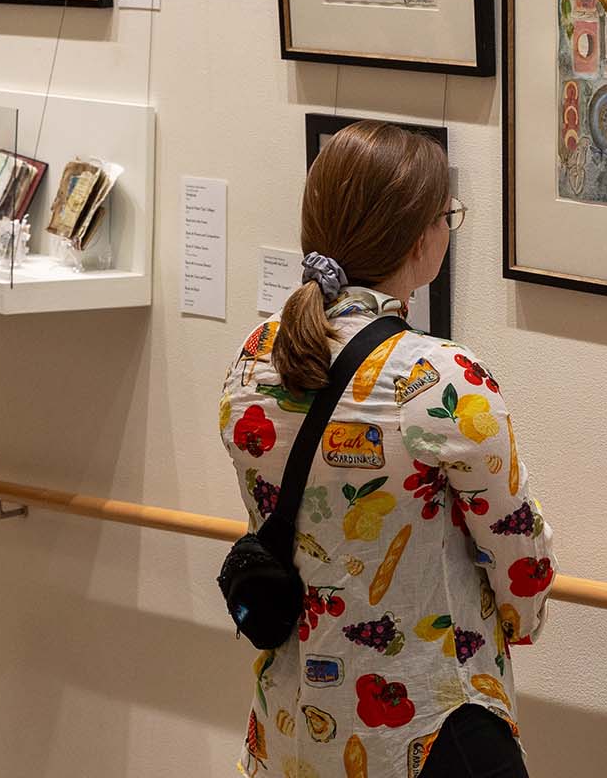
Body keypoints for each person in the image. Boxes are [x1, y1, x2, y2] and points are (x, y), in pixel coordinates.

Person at [219, 121, 555, 778]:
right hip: (432, 729)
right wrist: (518, 621)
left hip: (292, 730)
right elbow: (522, 567)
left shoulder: (255, 359)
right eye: (446, 217)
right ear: (418, 240)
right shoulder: (447, 383)